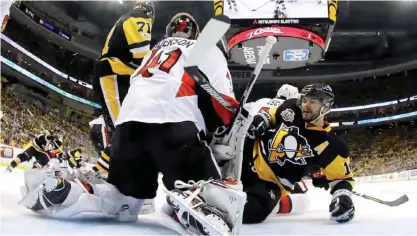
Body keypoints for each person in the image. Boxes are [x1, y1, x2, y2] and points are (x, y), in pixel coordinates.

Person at [18, 13, 246, 235]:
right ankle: (198, 202)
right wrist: (221, 128)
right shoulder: (205, 48)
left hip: (127, 131)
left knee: (125, 199)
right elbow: (224, 106)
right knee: (215, 192)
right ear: (196, 33)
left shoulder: (152, 54)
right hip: (175, 130)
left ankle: (79, 193)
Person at [215, 83, 355, 224]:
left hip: (270, 183)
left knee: (253, 212)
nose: (306, 105)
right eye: (305, 100)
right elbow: (271, 114)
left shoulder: (332, 146)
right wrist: (262, 120)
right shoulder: (291, 107)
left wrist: (342, 196)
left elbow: (342, 179)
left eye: (312, 102)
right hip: (248, 155)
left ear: (326, 106)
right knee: (217, 141)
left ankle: (211, 201)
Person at [90, 0, 155, 177]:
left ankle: (105, 173)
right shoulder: (140, 17)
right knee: (125, 132)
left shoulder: (128, 18)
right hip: (113, 75)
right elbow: (141, 54)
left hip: (115, 75)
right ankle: (99, 177)